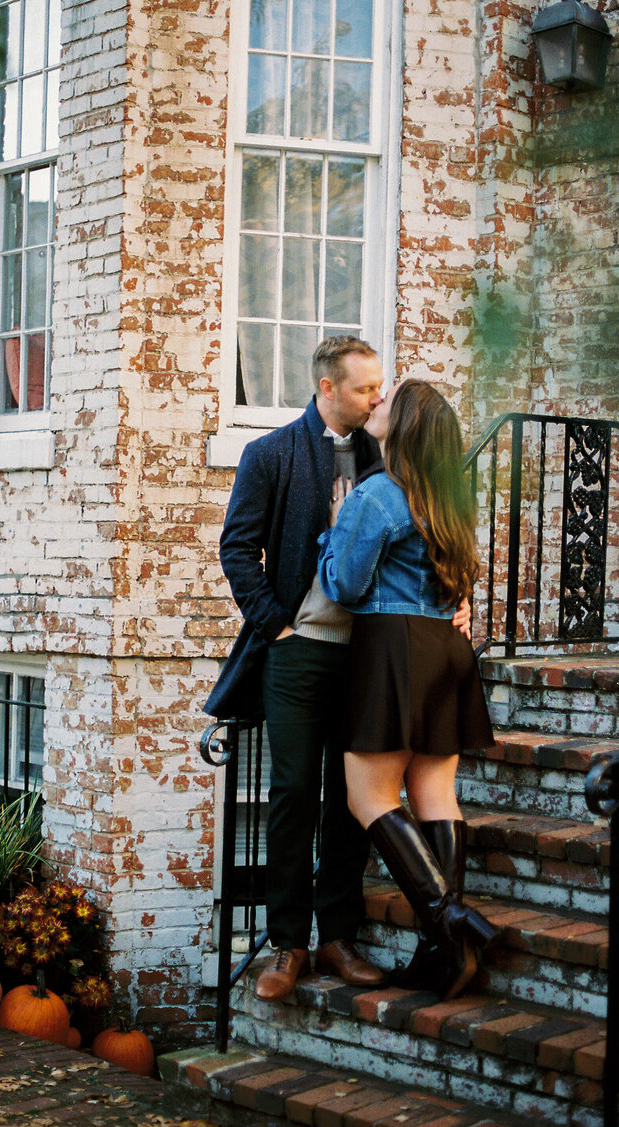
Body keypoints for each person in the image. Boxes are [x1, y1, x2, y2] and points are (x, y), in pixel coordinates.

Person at [205, 338, 470, 1003]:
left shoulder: (393, 455)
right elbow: (237, 549)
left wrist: (455, 601)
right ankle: (287, 943)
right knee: (294, 790)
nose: (378, 398)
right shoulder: (271, 455)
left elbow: (434, 527)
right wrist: (278, 624)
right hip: (299, 650)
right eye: (364, 389)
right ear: (327, 388)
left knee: (352, 802)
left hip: (374, 653)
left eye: (382, 388)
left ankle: (337, 936)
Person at [318, 379, 500, 1000]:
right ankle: (445, 956)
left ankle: (447, 920)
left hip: (393, 647)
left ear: (407, 426)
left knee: (367, 796)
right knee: (434, 793)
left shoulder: (377, 496)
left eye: (388, 401)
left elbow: (342, 586)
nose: (376, 404)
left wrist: (333, 532)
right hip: (445, 651)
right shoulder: (450, 500)